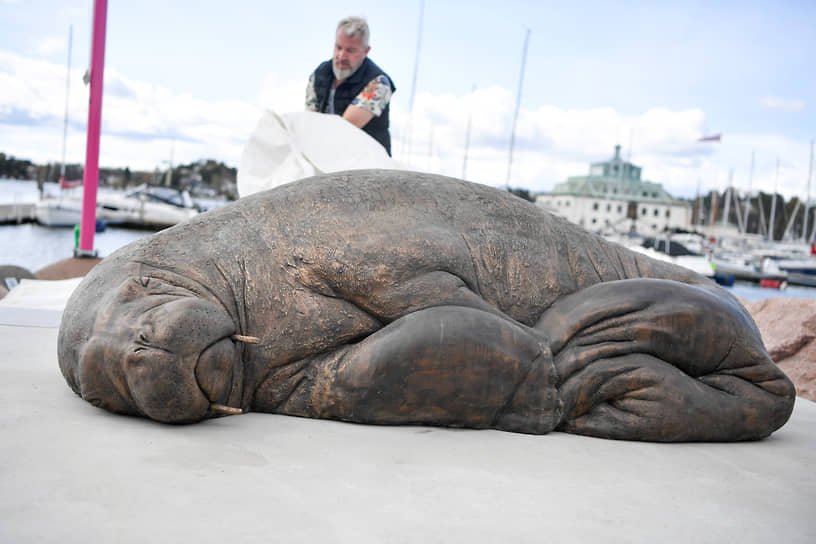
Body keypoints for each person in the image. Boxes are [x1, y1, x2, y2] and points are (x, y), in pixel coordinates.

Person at [306, 16, 396, 155]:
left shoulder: (379, 83)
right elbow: (310, 123)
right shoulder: (319, 75)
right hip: (325, 156)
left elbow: (345, 129)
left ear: (366, 51)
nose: (341, 56)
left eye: (350, 50)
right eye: (338, 47)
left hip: (369, 164)